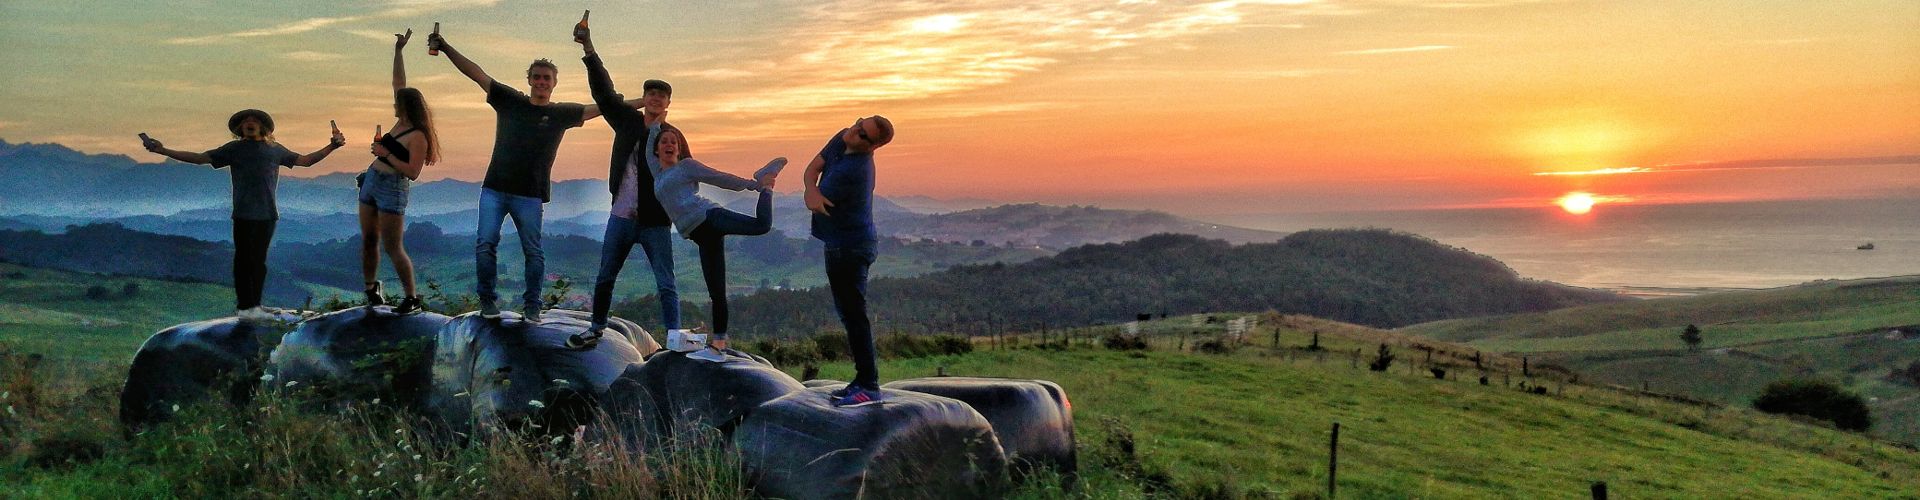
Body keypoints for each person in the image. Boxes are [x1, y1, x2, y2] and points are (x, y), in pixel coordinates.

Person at [427, 27, 606, 322]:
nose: (541, 82)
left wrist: (643, 104)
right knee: (485, 244)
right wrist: (444, 47)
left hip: (530, 195)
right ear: (529, 80)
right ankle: (487, 301)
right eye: (537, 77)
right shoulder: (510, 100)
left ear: (554, 83)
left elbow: (602, 107)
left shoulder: (560, 113)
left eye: (546, 78)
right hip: (495, 188)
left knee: (533, 252)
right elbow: (476, 73)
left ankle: (532, 306)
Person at [141, 110, 346, 322]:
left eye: (254, 120)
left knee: (259, 261)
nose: (250, 122)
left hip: (267, 213)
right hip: (244, 213)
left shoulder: (275, 149)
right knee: (243, 260)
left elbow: (306, 161)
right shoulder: (234, 149)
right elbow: (200, 158)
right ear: (240, 129)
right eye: (246, 121)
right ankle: (245, 308)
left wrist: (332, 146)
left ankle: (255, 305)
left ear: (263, 127)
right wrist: (163, 150)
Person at [566, 25, 687, 349]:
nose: (655, 98)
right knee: (606, 275)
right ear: (644, 99)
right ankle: (596, 328)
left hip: (655, 222)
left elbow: (686, 176)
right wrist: (589, 50)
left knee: (666, 283)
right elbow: (604, 95)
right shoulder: (626, 122)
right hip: (620, 214)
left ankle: (674, 339)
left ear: (668, 103)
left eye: (661, 95)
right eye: (651, 94)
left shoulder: (673, 136)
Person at [650, 128, 786, 362]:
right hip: (701, 235)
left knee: (762, 225)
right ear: (656, 150)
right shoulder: (657, 174)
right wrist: (655, 124)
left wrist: (754, 185)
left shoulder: (686, 166)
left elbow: (718, 177)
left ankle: (767, 184)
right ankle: (718, 347)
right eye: (664, 142)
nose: (669, 144)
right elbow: (648, 145)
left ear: (679, 149)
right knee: (717, 292)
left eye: (674, 142)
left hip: (710, 217)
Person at [803, 115, 894, 406]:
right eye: (858, 123)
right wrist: (811, 187)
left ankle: (869, 385)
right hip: (840, 243)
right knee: (850, 315)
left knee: (855, 317)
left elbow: (814, 202)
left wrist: (812, 190)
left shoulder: (854, 171)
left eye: (863, 134)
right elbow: (811, 170)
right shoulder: (844, 136)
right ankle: (862, 380)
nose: (855, 131)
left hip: (850, 248)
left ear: (873, 147)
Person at [359, 29, 441, 314]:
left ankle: (411, 297)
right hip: (372, 180)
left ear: (406, 106)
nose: (394, 103)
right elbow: (398, 82)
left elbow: (413, 172)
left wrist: (386, 154)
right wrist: (398, 50)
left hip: (392, 186)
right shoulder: (400, 123)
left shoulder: (417, 135)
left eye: (398, 102)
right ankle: (371, 288)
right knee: (369, 239)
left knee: (393, 246)